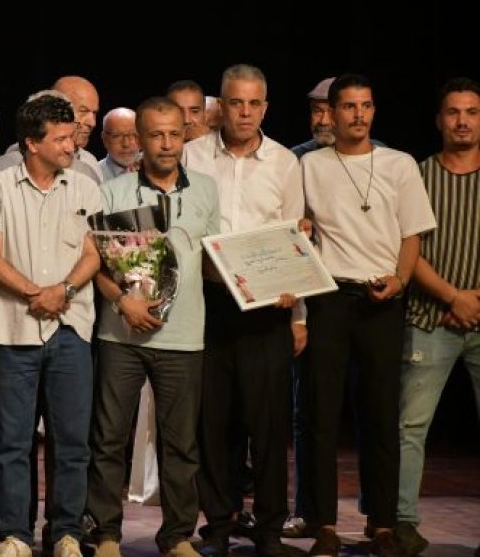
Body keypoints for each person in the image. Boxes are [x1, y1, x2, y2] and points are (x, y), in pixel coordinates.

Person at [301, 73, 437, 557]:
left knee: (380, 414)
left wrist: (400, 280)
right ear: (331, 114)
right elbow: (297, 229)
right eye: (349, 107)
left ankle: (382, 523)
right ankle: (323, 524)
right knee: (320, 413)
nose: (358, 115)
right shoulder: (309, 165)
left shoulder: (399, 164)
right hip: (330, 296)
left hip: (383, 297)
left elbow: (413, 233)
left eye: (366, 106)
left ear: (374, 111)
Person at [0, 92, 101, 557]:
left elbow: (94, 252)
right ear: (31, 143)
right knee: (12, 442)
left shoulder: (84, 185)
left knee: (72, 441)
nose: (70, 146)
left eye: (71, 137)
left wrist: (61, 291)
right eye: (61, 139)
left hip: (70, 328)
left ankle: (65, 531)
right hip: (14, 329)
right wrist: (32, 292)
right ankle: (15, 535)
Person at [86, 96, 219, 557]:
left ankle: (178, 535)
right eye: (156, 135)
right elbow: (95, 263)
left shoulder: (205, 189)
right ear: (139, 139)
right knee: (108, 439)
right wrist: (123, 301)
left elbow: (213, 261)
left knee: (181, 444)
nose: (166, 144)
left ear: (185, 135)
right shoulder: (113, 192)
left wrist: (266, 271)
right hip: (120, 335)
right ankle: (105, 534)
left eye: (175, 134)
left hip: (184, 336)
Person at [182, 64, 304, 557]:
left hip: (267, 309)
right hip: (208, 304)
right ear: (221, 106)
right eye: (236, 102)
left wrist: (299, 317)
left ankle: (270, 528)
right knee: (214, 422)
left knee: (269, 424)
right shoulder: (193, 156)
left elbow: (297, 237)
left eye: (254, 103)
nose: (245, 112)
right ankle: (217, 525)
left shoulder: (283, 163)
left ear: (266, 108)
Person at [395, 77, 480, 556]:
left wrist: (474, 300)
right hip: (431, 317)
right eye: (454, 112)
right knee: (411, 426)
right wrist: (454, 297)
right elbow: (409, 246)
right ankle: (404, 520)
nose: (463, 121)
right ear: (439, 120)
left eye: (471, 112)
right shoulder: (420, 175)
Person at [0, 76, 102, 189]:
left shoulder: (89, 167)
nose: (92, 122)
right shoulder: (1, 170)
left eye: (95, 113)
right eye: (83, 111)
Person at [97, 107, 139, 181]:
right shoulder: (94, 175)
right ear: (105, 139)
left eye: (133, 135)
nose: (126, 144)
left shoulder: (155, 171)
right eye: (116, 136)